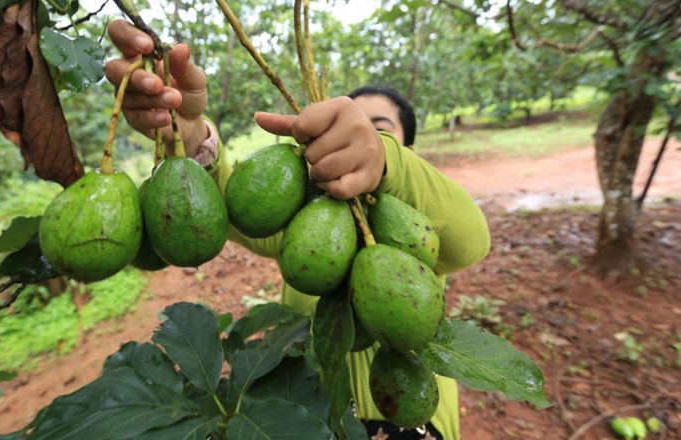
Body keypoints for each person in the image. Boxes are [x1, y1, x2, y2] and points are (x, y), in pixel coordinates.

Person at [105, 20, 490, 440]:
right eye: (342, 128)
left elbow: (472, 240)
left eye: (376, 128)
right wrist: (191, 135)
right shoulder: (303, 213)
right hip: (311, 415)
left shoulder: (417, 222)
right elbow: (236, 213)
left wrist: (385, 162)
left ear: (406, 150)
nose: (350, 139)